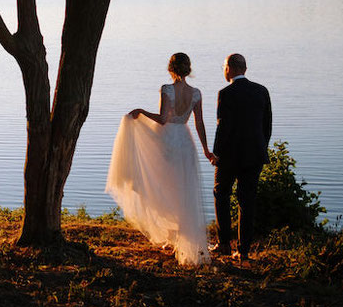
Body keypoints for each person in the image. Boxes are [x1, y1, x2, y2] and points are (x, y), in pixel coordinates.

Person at [106, 53, 213, 265]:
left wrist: (141, 111)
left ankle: (173, 237)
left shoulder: (167, 89)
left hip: (167, 141)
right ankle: (182, 240)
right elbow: (199, 123)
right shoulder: (196, 93)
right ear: (189, 69)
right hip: (185, 140)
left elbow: (163, 119)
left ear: (170, 68)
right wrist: (206, 149)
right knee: (183, 190)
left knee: (163, 186)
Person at [210, 53, 272, 263]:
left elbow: (223, 127)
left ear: (230, 68)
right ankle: (243, 250)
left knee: (221, 195)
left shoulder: (225, 93)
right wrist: (262, 147)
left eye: (223, 66)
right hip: (255, 154)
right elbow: (267, 125)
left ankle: (224, 244)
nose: (223, 70)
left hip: (229, 156)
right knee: (247, 202)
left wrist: (216, 153)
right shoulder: (261, 91)